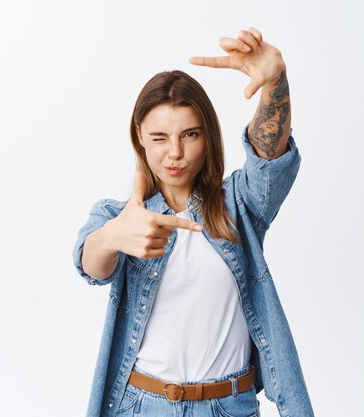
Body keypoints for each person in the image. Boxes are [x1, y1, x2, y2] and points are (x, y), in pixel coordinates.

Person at [72, 27, 315, 417]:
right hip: (142, 406)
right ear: (139, 138)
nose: (175, 153)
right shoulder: (119, 217)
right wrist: (113, 236)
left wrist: (274, 84)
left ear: (208, 136)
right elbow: (90, 264)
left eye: (190, 134)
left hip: (229, 406)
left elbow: (271, 162)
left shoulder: (239, 206)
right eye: (159, 137)